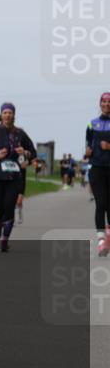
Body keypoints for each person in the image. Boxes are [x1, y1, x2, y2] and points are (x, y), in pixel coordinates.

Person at [0, 104, 36, 251]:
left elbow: (32, 153)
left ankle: (5, 240)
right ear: (1, 115)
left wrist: (25, 152)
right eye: (5, 112)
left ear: (14, 115)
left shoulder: (20, 134)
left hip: (13, 178)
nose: (8, 115)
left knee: (9, 208)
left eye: (10, 112)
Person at [85, 92, 110, 257]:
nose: (107, 104)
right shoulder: (91, 124)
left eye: (109, 102)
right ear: (100, 103)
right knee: (100, 204)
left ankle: (108, 236)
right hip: (97, 168)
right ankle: (101, 241)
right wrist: (88, 151)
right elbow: (88, 144)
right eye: (104, 101)